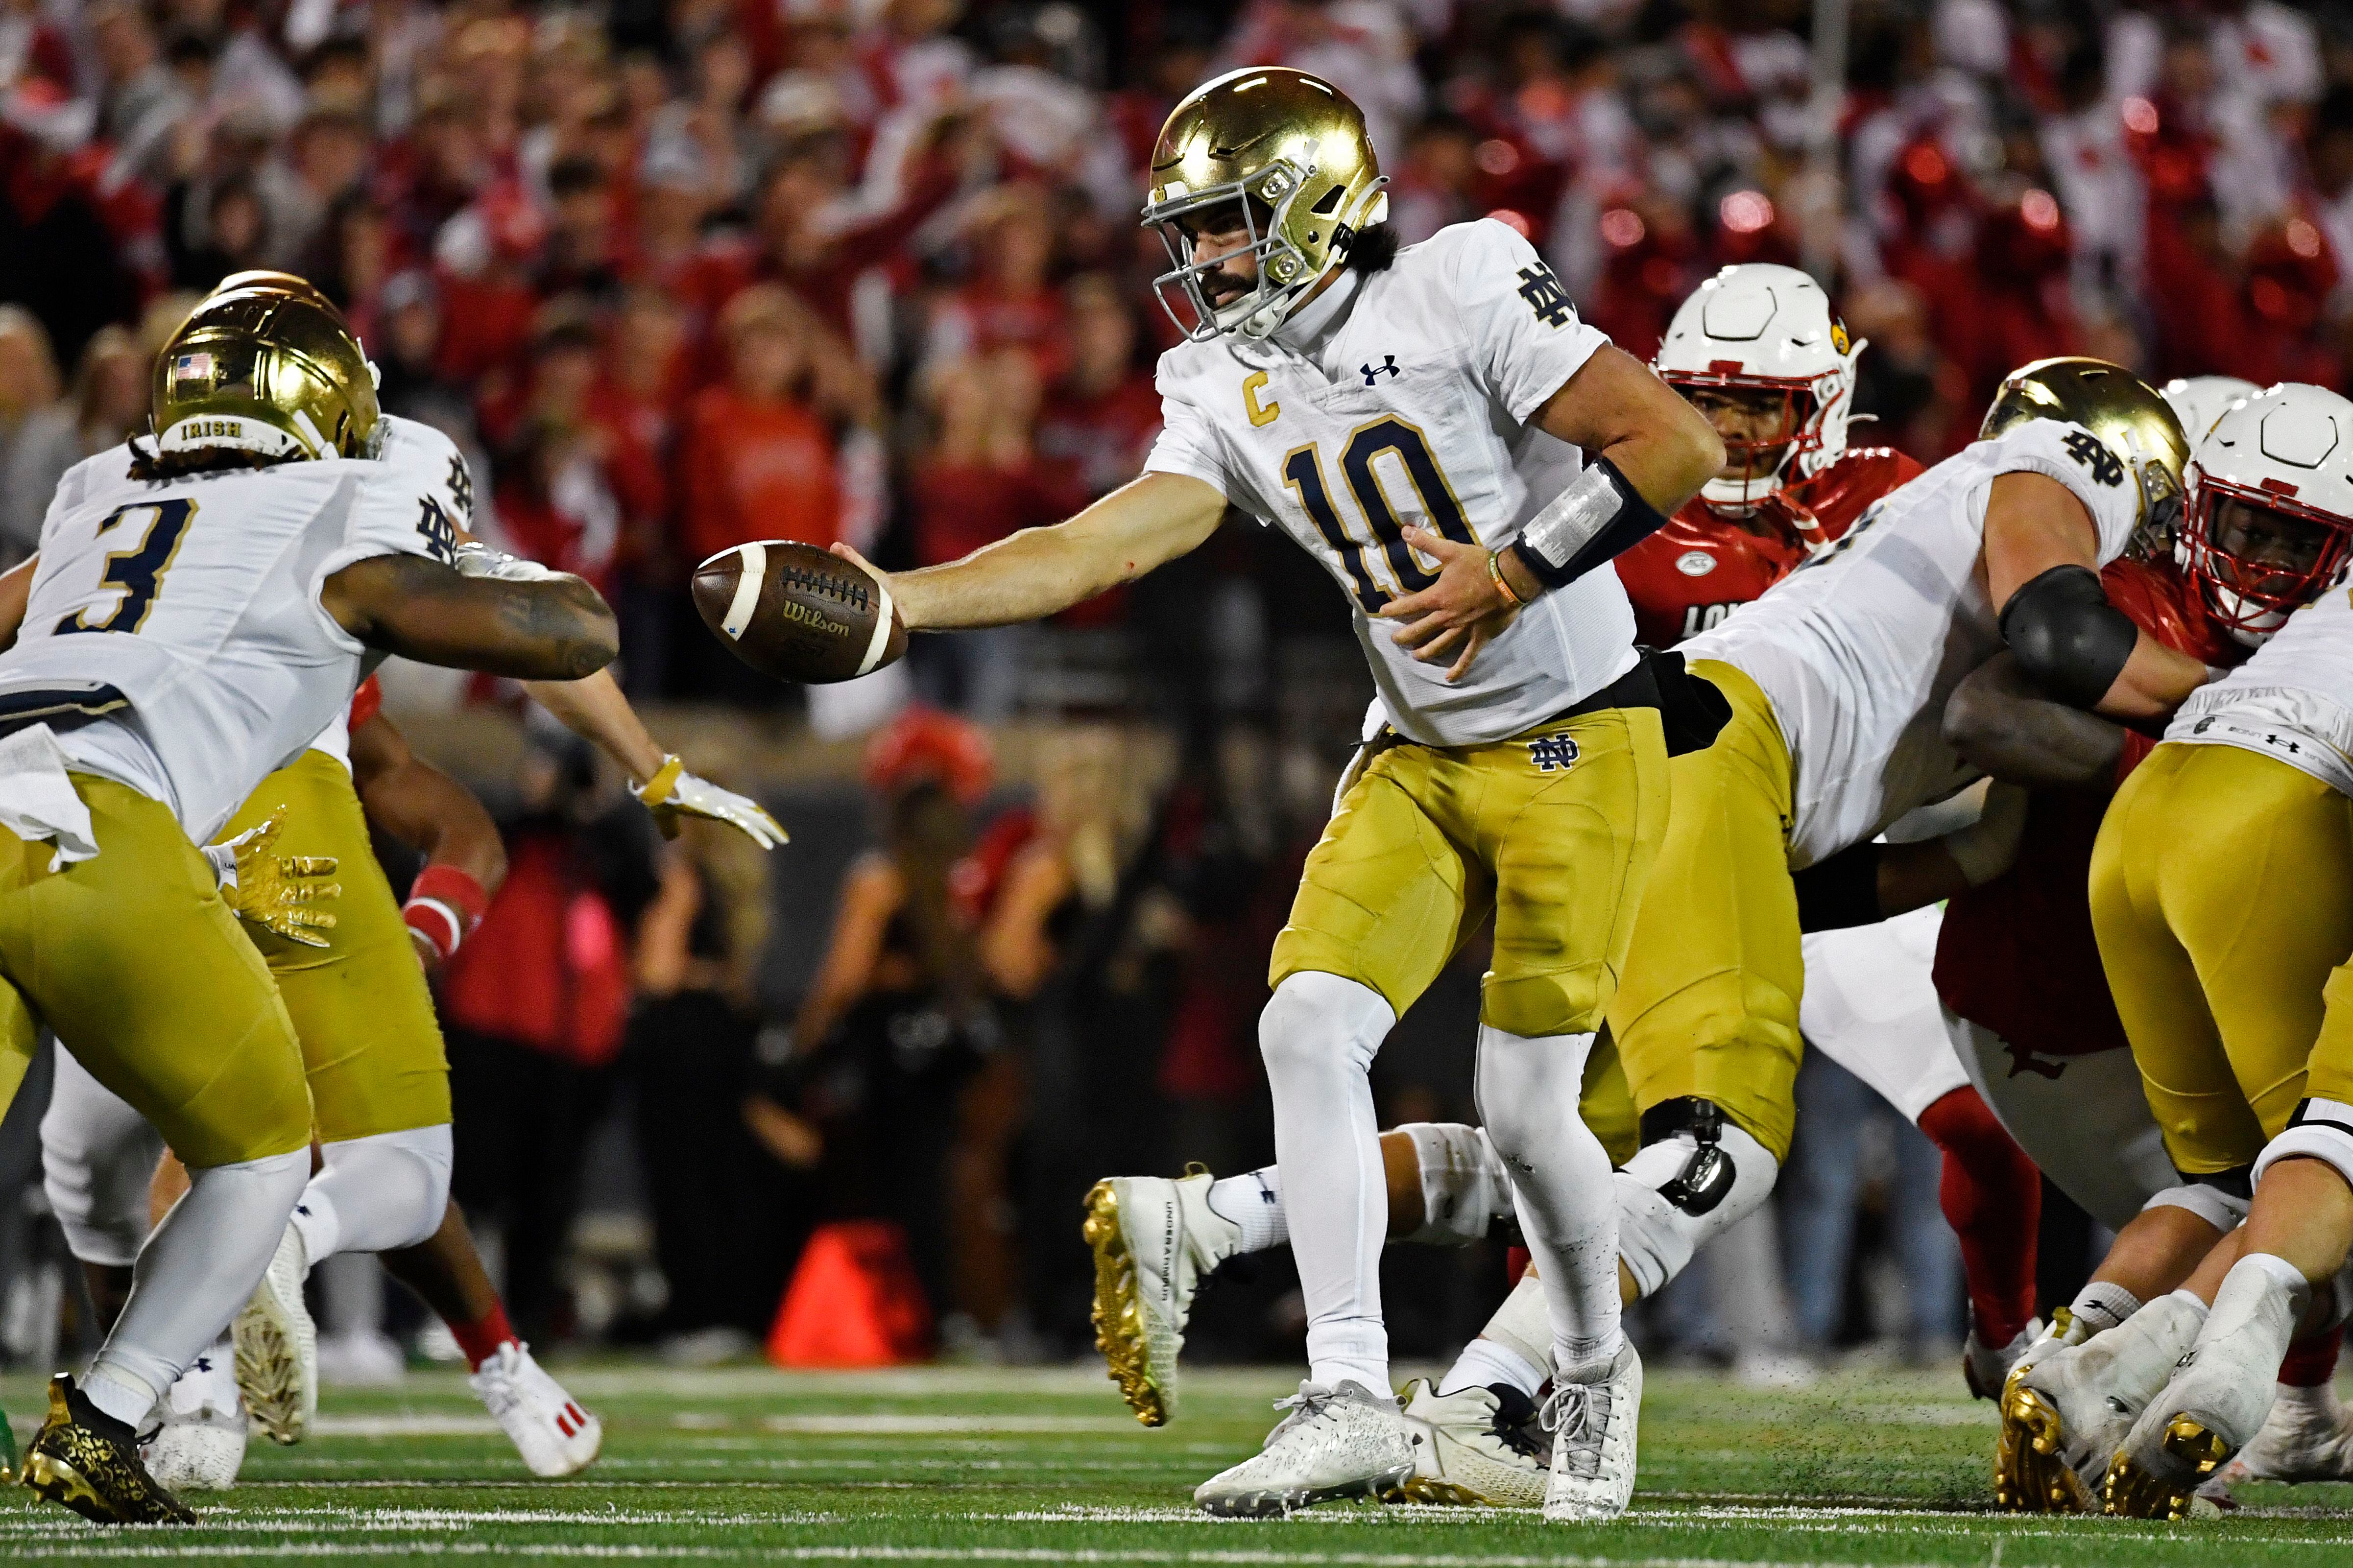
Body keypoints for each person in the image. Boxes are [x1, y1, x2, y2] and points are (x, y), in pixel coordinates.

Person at [836, 66, 1724, 1521]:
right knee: (1304, 1019)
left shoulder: (1460, 277)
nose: (1203, 261)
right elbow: (1097, 543)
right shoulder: (1216, 376)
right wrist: (904, 601)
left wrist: (1510, 570)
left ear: (1315, 208)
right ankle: (1349, 1392)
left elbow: (1671, 442)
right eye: (1190, 231)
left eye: (1229, 226)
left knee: (1523, 1107)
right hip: (1418, 746)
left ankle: (1586, 1361)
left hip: (1576, 729)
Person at [0, 273, 619, 1524]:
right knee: (266, 1155)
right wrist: (577, 602)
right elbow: (553, 637)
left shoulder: (95, 493)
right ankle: (112, 1411)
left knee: (84, 1152)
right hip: (98, 824)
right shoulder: (343, 506)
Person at [1991, 383, 2353, 1518]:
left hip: (2143, 813)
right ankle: (2226, 1375)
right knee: (2326, 1148)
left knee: (2217, 1175)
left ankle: (2070, 1363)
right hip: (2266, 812)